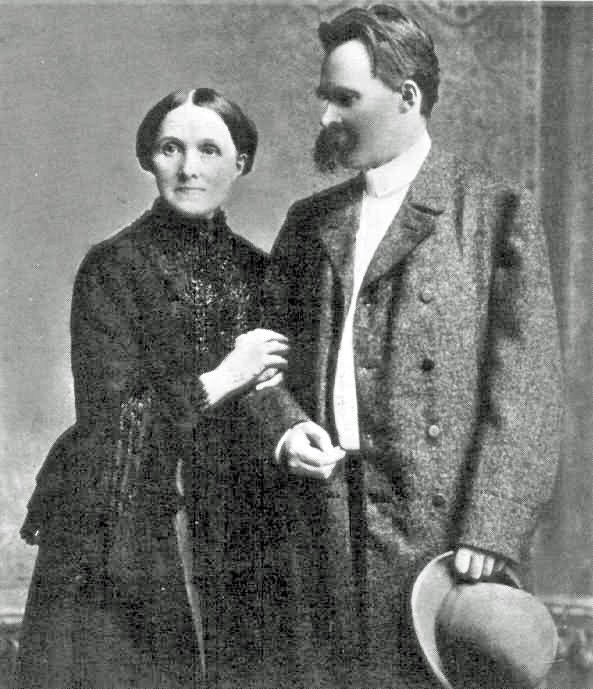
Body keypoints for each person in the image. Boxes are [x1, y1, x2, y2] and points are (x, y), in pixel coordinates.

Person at [250, 5, 564, 688]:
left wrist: (492, 525)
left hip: (440, 543)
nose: (326, 116)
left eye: (345, 99)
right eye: (324, 98)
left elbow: (527, 392)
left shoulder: (493, 212)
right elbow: (261, 363)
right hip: (320, 529)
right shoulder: (309, 222)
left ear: (407, 96)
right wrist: (285, 428)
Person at [16, 87, 288, 689]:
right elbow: (111, 422)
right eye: (171, 148)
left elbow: (276, 400)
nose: (189, 168)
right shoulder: (112, 268)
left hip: (232, 519)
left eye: (209, 150)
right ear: (149, 159)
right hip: (122, 520)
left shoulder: (261, 272)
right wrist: (225, 377)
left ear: (240, 162)